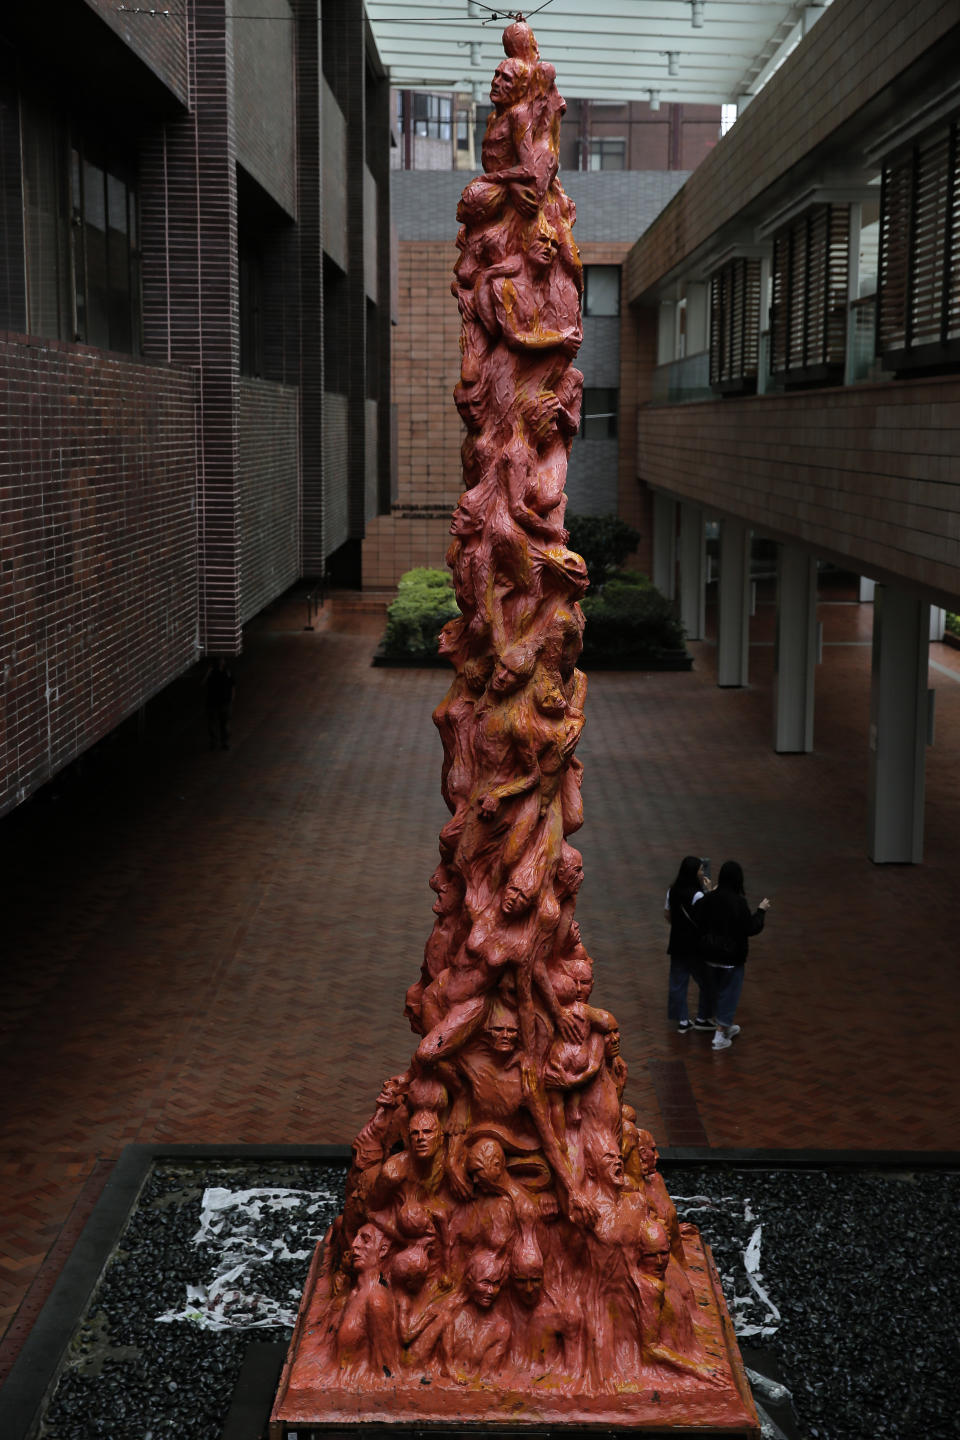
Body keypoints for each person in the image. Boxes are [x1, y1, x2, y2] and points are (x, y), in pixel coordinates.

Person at [693, 860, 770, 1050]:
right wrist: (761, 911)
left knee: (711, 989)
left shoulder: (710, 899)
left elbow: (698, 915)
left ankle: (706, 1019)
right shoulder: (738, 902)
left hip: (709, 954)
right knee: (729, 993)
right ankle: (721, 1033)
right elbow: (750, 927)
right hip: (731, 957)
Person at [664, 856, 713, 1034]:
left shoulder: (672, 890)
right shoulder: (698, 894)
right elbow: (706, 919)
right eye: (700, 870)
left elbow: (667, 914)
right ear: (693, 873)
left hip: (677, 943)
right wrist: (710, 893)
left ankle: (682, 1020)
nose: (702, 873)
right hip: (696, 947)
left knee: (678, 982)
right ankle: (703, 1017)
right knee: (706, 981)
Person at [204, 657, 234, 751]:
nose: (221, 662)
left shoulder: (227, 672)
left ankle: (224, 742)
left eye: (222, 660)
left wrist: (231, 699)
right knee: (213, 724)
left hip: (224, 702)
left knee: (224, 724)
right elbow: (203, 683)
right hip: (212, 702)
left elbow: (233, 685)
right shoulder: (211, 672)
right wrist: (208, 672)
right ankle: (214, 742)